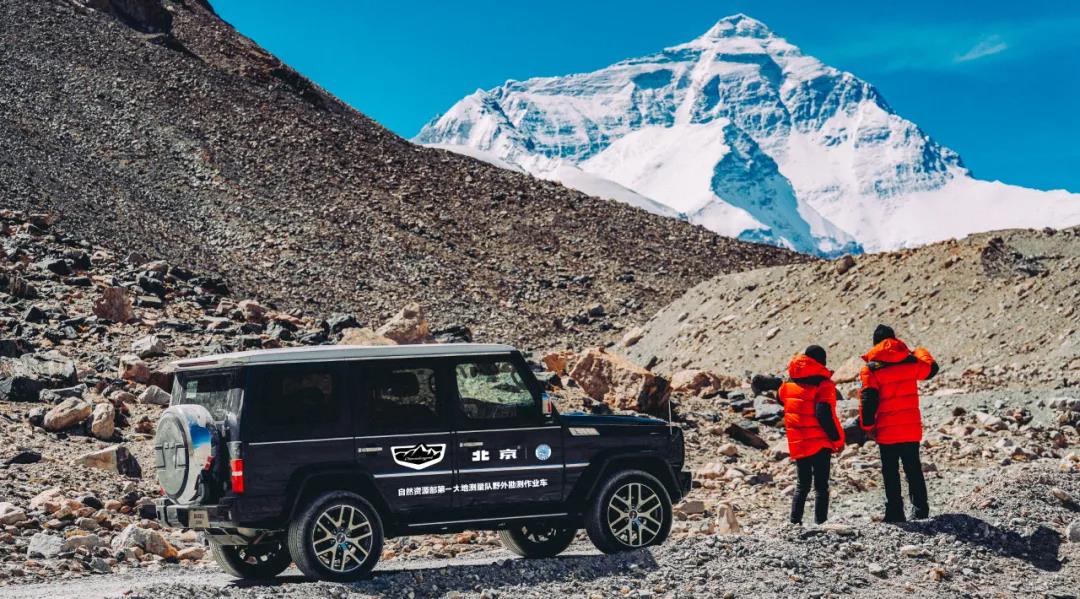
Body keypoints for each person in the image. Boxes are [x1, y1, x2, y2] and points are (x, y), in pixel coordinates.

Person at [858, 324, 939, 522]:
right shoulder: (911, 361)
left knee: (890, 472)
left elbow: (868, 400)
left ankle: (895, 513)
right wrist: (919, 350)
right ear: (895, 340)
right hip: (910, 428)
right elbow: (932, 369)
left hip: (886, 431)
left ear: (875, 344)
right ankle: (920, 511)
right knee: (913, 469)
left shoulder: (871, 369)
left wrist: (867, 427)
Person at [759, 345, 845, 525]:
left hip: (799, 442)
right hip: (820, 443)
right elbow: (824, 415)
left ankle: (794, 522)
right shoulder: (824, 384)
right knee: (821, 486)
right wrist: (837, 439)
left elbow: (780, 398)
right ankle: (821, 523)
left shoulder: (788, 384)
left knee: (802, 484)